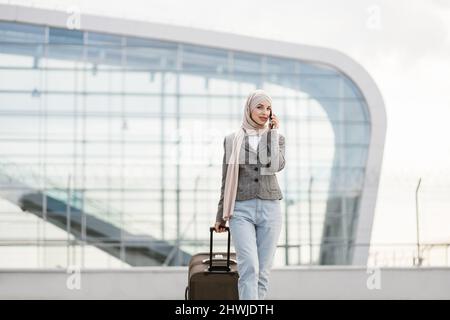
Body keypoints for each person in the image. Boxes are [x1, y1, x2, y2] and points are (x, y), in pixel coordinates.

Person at [213, 89, 285, 300]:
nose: (264, 112)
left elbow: (274, 166)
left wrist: (271, 135)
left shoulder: (277, 138)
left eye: (268, 107)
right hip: (240, 209)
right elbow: (226, 179)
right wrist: (220, 216)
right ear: (249, 109)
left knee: (263, 272)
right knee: (249, 268)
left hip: (270, 208)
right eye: (259, 107)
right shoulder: (231, 140)